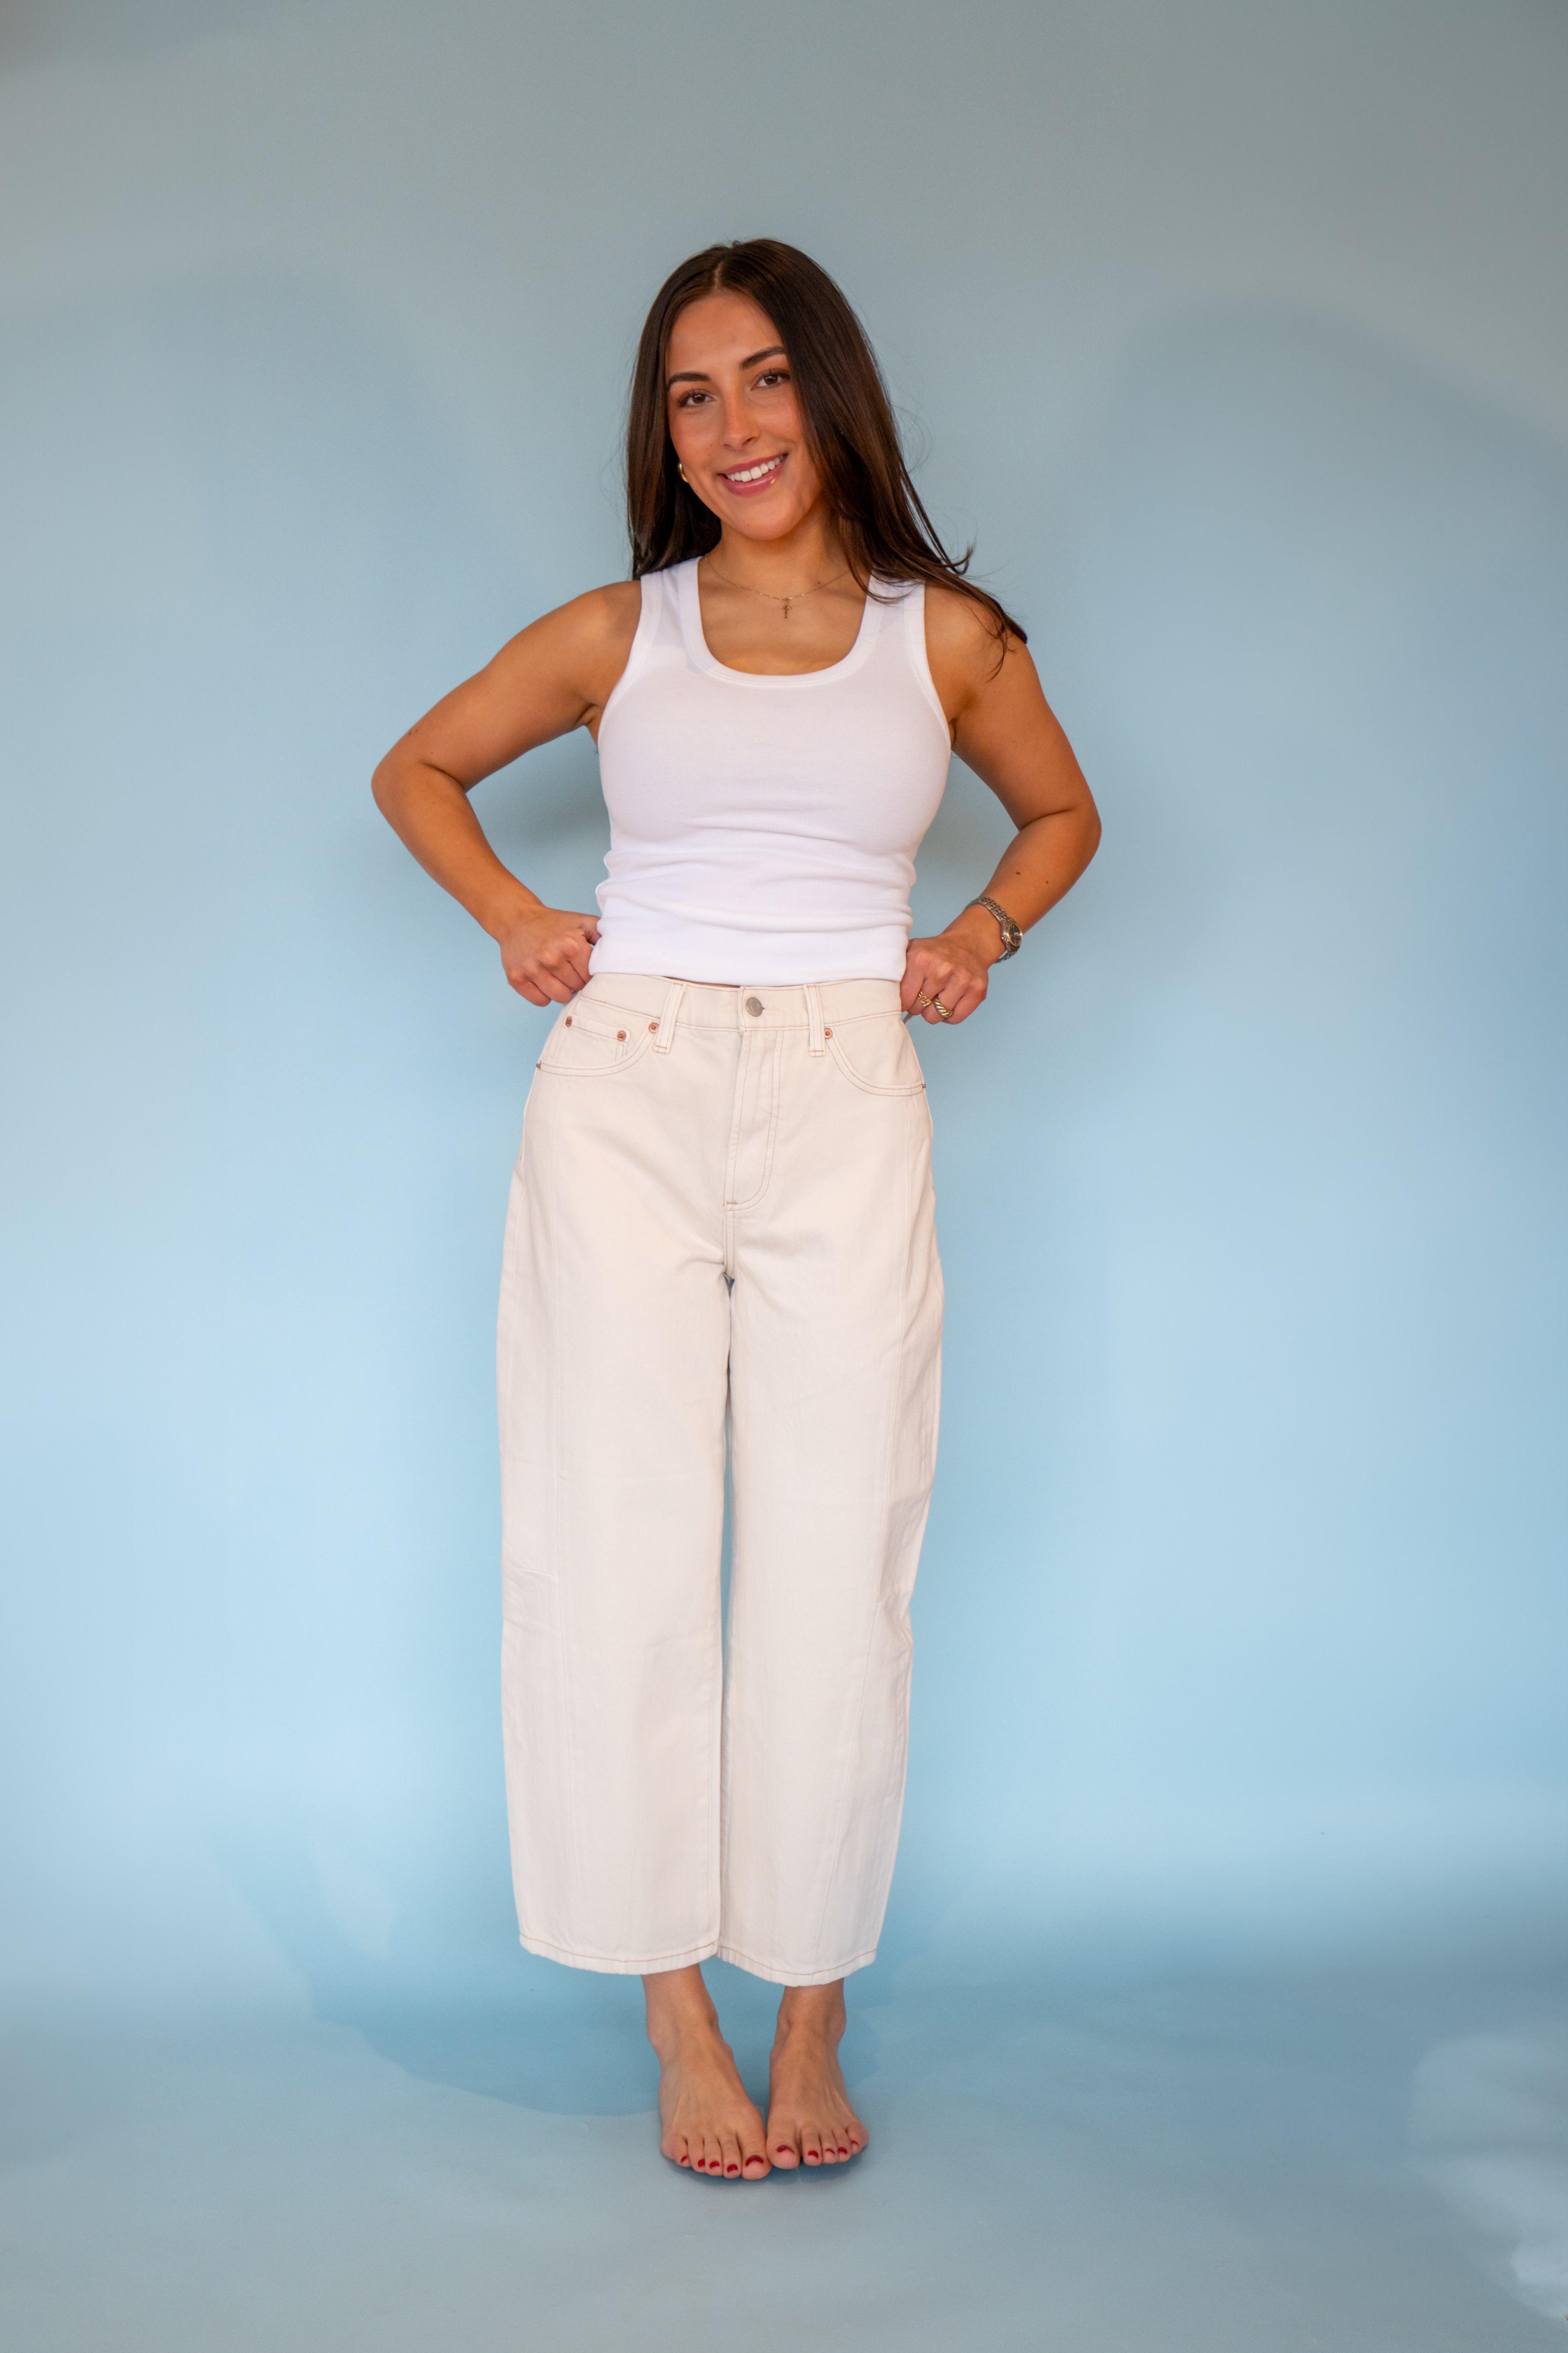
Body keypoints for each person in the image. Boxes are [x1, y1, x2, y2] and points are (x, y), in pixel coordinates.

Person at [372, 238, 1100, 2182]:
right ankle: (674, 2006)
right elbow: (417, 767)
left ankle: (811, 1997)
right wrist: (515, 917)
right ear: (664, 434)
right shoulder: (625, 631)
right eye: (689, 397)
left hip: (847, 1100)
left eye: (763, 379)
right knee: (610, 1541)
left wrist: (979, 932)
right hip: (627, 1092)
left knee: (834, 1549)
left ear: (828, 390)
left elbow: (1063, 812)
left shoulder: (946, 639)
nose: (730, 427)